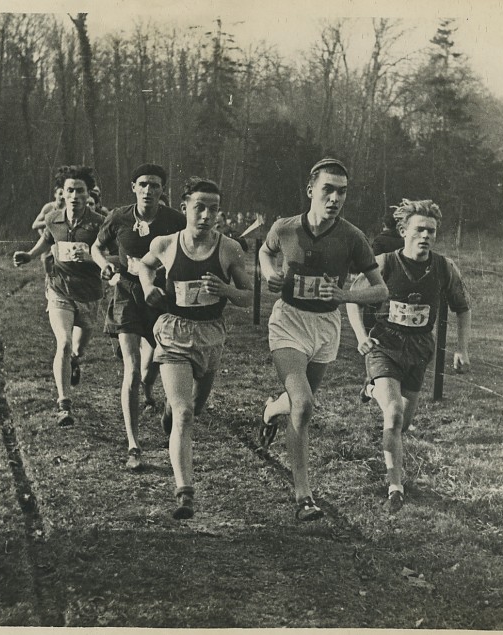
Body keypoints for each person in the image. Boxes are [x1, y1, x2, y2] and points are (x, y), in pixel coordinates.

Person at [258, 158, 388, 521]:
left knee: (297, 402)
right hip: (288, 321)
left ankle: (270, 410)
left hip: (326, 326)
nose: (335, 198)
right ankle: (304, 496)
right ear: (310, 190)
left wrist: (346, 296)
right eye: (327, 190)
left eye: (341, 192)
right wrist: (269, 272)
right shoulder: (285, 227)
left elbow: (381, 290)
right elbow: (266, 251)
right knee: (303, 404)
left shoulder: (352, 237)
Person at [346, 199, 471, 512]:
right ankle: (395, 486)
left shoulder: (444, 268)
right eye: (419, 229)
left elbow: (463, 308)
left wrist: (462, 348)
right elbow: (352, 298)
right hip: (384, 345)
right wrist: (361, 337)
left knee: (402, 423)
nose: (425, 236)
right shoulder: (384, 263)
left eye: (431, 231)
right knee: (393, 415)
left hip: (419, 349)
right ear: (403, 231)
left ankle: (371, 388)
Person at [138, 177, 253, 519]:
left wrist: (226, 290)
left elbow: (248, 297)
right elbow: (145, 265)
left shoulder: (229, 249)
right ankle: (184, 492)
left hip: (210, 335)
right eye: (199, 207)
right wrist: (147, 287)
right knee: (185, 412)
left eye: (213, 209)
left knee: (192, 409)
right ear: (184, 207)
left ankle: (170, 414)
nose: (206, 216)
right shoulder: (166, 244)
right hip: (174, 331)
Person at [91, 164, 186, 470]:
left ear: (162, 190)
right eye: (143, 184)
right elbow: (96, 246)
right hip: (127, 296)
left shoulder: (175, 221)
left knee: (159, 363)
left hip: (161, 299)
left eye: (155, 185)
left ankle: (165, 402)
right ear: (133, 187)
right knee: (131, 370)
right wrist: (105, 265)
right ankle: (133, 446)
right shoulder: (119, 217)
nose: (148, 190)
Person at [13, 165, 105, 427]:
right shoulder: (53, 217)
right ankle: (64, 404)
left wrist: (91, 258)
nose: (74, 196)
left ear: (89, 194)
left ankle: (75, 360)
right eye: (70, 190)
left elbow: (113, 255)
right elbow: (47, 239)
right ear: (62, 193)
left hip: (89, 293)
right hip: (59, 288)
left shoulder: (99, 223)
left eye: (80, 191)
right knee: (63, 342)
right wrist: (29, 255)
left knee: (78, 346)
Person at [32, 185, 64, 277]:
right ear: (55, 194)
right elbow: (35, 225)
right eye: (60, 194)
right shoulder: (49, 207)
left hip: (61, 245)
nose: (62, 197)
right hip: (47, 245)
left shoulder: (69, 209)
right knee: (49, 275)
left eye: (64, 194)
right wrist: (49, 222)